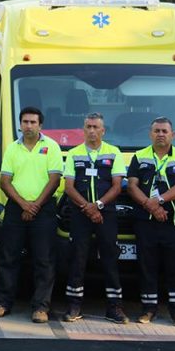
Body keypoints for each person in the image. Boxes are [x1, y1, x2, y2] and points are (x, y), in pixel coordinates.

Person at [0, 106, 62, 323]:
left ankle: (41, 307)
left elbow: (55, 179)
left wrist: (35, 206)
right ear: (20, 124)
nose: (28, 126)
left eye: (33, 122)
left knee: (44, 260)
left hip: (44, 209)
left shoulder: (52, 147)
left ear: (41, 125)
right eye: (25, 122)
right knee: (8, 258)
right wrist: (23, 204)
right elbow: (5, 181)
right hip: (16, 210)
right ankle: (3, 303)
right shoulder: (13, 148)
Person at [61, 113, 129, 324]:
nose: (92, 130)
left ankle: (114, 307)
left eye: (96, 127)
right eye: (88, 126)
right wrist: (87, 207)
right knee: (77, 258)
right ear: (83, 130)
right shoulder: (73, 153)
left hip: (105, 213)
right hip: (80, 213)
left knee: (110, 258)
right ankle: (74, 306)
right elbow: (68, 187)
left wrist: (98, 206)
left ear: (103, 130)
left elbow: (117, 186)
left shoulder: (114, 152)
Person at [127, 117, 175, 327]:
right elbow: (131, 186)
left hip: (173, 222)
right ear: (150, 134)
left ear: (173, 135)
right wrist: (150, 205)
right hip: (146, 222)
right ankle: (148, 310)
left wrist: (160, 201)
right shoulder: (139, 156)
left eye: (165, 131)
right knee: (147, 267)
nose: (161, 134)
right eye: (157, 131)